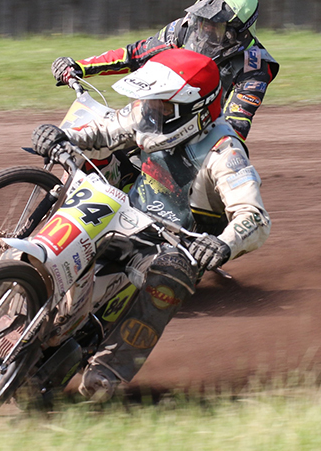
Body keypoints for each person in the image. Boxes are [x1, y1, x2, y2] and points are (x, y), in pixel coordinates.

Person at [32, 48, 271, 402]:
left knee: (174, 275)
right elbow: (101, 131)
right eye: (149, 104)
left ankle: (109, 370)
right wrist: (62, 138)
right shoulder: (148, 113)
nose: (148, 114)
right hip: (120, 211)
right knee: (67, 194)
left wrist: (222, 245)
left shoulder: (225, 152)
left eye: (160, 108)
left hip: (169, 245)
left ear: (194, 111)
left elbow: (255, 217)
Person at [52, 0, 279, 143]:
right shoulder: (182, 28)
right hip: (153, 115)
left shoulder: (256, 65)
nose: (204, 29)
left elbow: (235, 126)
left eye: (215, 26)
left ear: (237, 34)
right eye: (202, 21)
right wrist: (79, 67)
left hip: (196, 139)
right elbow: (136, 54)